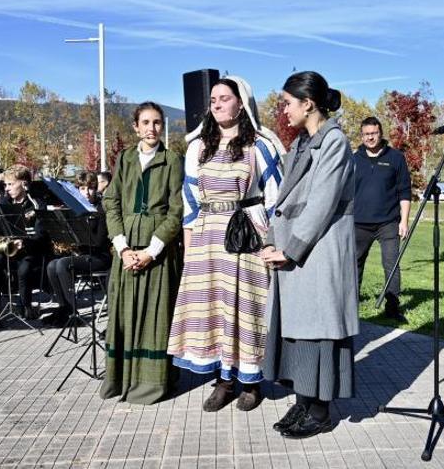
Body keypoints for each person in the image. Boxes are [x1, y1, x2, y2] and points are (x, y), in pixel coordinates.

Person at [168, 76, 284, 412]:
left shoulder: (261, 145)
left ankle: (251, 380)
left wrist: (270, 240)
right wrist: (190, 249)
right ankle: (224, 379)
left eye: (224, 98)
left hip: (245, 233)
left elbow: (277, 197)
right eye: (213, 100)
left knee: (245, 307)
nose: (217, 104)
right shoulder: (197, 146)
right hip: (206, 237)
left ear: (241, 103)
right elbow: (189, 201)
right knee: (214, 308)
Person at [261, 71, 359, 439]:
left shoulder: (334, 142)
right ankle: (303, 402)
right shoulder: (302, 143)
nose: (283, 109)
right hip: (297, 251)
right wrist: (271, 240)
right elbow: (284, 200)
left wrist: (289, 249)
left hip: (319, 251)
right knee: (298, 332)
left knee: (318, 333)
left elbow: (321, 203)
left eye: (287, 102)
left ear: (308, 103)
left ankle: (320, 412)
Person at [99, 102, 183, 405]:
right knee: (125, 313)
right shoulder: (124, 159)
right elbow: (112, 203)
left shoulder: (173, 160)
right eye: (145, 122)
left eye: (157, 122)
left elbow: (176, 211)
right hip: (126, 247)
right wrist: (122, 248)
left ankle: (152, 383)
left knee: (154, 314)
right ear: (136, 127)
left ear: (163, 126)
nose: (151, 128)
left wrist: (151, 250)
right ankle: (119, 379)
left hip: (157, 249)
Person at [352, 116, 412, 322]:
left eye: (374, 133)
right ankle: (351, 305)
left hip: (388, 223)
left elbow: (405, 192)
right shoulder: (353, 159)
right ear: (362, 136)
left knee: (391, 265)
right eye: (366, 134)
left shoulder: (396, 158)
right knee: (354, 265)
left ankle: (393, 308)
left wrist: (403, 222)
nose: (370, 138)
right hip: (358, 223)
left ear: (380, 133)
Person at [0, 165, 49, 324]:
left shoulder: (37, 204)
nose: (6, 189)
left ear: (24, 184)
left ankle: (25, 306)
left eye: (11, 184)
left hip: (31, 251)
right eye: (5, 185)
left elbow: (40, 235)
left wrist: (24, 242)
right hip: (9, 250)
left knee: (24, 268)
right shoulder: (4, 203)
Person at [43, 172, 111, 326]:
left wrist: (81, 231)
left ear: (96, 188)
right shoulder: (75, 208)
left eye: (91, 188)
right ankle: (63, 308)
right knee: (52, 265)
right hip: (84, 255)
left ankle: (74, 313)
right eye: (82, 189)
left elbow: (100, 241)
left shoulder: (101, 208)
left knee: (62, 264)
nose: (86, 193)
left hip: (100, 257)